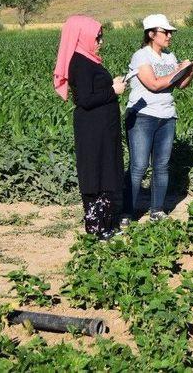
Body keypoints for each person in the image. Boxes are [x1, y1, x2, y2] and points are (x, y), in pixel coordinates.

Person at [122, 14, 193, 225]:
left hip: (167, 116)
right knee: (139, 166)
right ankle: (127, 212)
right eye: (165, 32)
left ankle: (156, 210)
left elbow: (181, 85)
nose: (169, 36)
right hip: (142, 116)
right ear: (151, 34)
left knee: (161, 165)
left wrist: (190, 70)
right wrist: (180, 70)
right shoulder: (141, 56)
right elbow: (154, 84)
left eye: (170, 32)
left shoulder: (169, 56)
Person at [53, 15, 126, 241]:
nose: (100, 41)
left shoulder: (88, 60)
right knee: (97, 173)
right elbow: (84, 99)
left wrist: (110, 83)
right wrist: (113, 90)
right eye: (97, 37)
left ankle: (105, 223)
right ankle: (97, 227)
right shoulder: (80, 63)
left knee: (104, 170)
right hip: (94, 130)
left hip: (101, 128)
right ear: (82, 36)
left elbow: (93, 90)